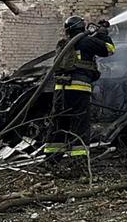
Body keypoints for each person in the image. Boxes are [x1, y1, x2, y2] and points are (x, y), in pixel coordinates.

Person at [45, 15, 116, 157]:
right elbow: (109, 50)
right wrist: (103, 34)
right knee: (80, 122)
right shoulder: (86, 41)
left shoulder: (63, 43)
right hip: (79, 89)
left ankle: (52, 156)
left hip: (60, 89)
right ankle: (78, 157)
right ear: (82, 27)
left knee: (59, 121)